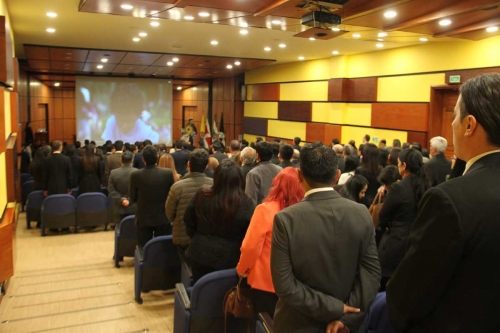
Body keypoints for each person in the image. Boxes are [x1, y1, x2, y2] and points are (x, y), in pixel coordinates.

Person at [387, 73, 500, 333]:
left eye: (454, 116)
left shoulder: (450, 199)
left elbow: (406, 298)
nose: (452, 124)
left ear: (469, 125)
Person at [270, 142, 380, 333]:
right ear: (337, 175)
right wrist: (346, 316)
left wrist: (336, 309)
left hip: (297, 324)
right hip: (348, 325)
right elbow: (371, 274)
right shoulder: (361, 212)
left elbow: (285, 285)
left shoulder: (285, 219)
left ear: (299, 176)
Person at [237, 167, 304, 318]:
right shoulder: (305, 212)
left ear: (278, 185)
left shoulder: (265, 210)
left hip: (265, 282)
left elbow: (250, 247)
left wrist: (242, 269)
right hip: (296, 284)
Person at [183, 159, 255, 283]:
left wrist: (196, 237)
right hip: (231, 258)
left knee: (201, 292)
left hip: (200, 252)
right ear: (239, 179)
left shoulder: (202, 193)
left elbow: (187, 218)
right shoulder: (247, 202)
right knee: (226, 295)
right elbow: (250, 233)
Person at [378, 148, 430, 291]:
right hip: (416, 243)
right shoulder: (426, 185)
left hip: (396, 244)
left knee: (385, 290)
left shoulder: (398, 188)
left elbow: (383, 216)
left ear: (404, 166)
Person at [166, 149, 213, 252]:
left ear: (188, 165)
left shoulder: (177, 187)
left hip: (183, 237)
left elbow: (169, 214)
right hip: (208, 236)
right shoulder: (215, 185)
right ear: (206, 166)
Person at [129, 145, 175, 248]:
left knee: (144, 247)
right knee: (163, 247)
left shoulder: (136, 175)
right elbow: (171, 194)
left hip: (143, 216)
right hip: (163, 216)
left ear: (143, 159)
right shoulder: (167, 173)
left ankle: (146, 264)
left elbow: (132, 197)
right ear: (157, 157)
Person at [108, 151, 137, 228]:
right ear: (132, 160)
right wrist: (129, 200)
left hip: (119, 207)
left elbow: (111, 190)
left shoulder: (113, 173)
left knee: (120, 232)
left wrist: (122, 200)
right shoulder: (137, 172)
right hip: (134, 206)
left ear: (121, 160)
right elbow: (139, 190)